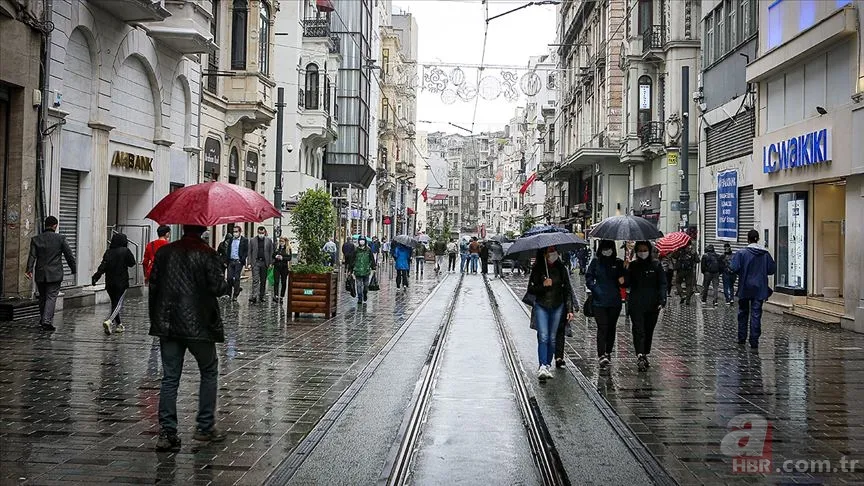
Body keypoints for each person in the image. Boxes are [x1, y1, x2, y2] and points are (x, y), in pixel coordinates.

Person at [149, 225, 230, 452]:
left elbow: (153, 285)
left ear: (183, 229)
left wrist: (156, 319)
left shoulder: (165, 253)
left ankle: (167, 432)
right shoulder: (207, 254)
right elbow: (217, 287)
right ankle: (204, 427)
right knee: (209, 370)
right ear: (203, 229)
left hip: (169, 323)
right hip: (199, 324)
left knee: (170, 378)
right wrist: (223, 276)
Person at [526, 247, 576, 380]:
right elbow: (531, 289)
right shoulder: (538, 268)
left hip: (557, 306)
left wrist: (569, 309)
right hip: (541, 306)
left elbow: (567, 290)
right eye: (550, 251)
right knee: (543, 336)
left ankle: (547, 364)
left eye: (554, 250)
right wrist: (543, 285)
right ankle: (542, 365)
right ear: (544, 253)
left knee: (552, 338)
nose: (553, 253)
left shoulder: (561, 268)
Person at [25, 216, 76, 332]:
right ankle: (46, 321)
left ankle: (43, 318)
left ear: (45, 225)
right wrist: (73, 269)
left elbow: (32, 256)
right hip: (55, 273)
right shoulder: (61, 239)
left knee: (42, 297)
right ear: (55, 226)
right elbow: (69, 255)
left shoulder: (36, 239)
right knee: (51, 297)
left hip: (40, 273)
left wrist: (29, 270)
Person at [729, 230, 776, 349]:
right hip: (760, 288)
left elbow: (733, 268)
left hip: (745, 287)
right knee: (756, 314)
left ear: (748, 239)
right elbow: (771, 270)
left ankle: (741, 337)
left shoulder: (742, 253)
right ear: (758, 239)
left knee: (743, 312)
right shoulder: (765, 254)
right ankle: (754, 340)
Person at [626, 241, 667, 372]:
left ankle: (645, 352)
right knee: (638, 329)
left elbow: (662, 283)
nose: (642, 252)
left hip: (652, 304)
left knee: (648, 330)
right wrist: (625, 270)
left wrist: (662, 299)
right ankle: (640, 355)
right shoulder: (632, 266)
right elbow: (625, 284)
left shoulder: (656, 266)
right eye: (640, 250)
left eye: (645, 250)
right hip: (636, 303)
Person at [585, 239, 626, 367]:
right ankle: (601, 354)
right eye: (605, 248)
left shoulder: (618, 263)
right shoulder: (596, 262)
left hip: (614, 301)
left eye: (609, 248)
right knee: (602, 327)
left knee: (611, 327)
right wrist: (595, 288)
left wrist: (625, 271)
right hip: (599, 301)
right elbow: (589, 277)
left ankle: (608, 352)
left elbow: (624, 281)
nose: (607, 250)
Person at [91, 233, 136, 335]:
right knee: (118, 304)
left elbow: (102, 267)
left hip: (110, 283)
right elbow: (132, 263)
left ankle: (119, 325)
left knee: (114, 304)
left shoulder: (108, 252)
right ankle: (110, 321)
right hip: (122, 282)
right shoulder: (125, 251)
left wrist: (95, 277)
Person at [248, 226, 273, 304]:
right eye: (259, 233)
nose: (261, 234)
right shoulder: (252, 240)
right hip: (256, 262)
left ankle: (262, 296)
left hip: (265, 262)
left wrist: (271, 263)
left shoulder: (269, 241)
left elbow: (271, 252)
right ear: (257, 232)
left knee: (263, 280)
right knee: (255, 280)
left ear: (264, 232)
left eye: (262, 233)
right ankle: (254, 296)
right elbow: (249, 252)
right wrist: (249, 263)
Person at [349, 237, 376, 305]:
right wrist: (350, 270)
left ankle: (365, 293)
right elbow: (352, 260)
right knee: (358, 285)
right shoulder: (356, 250)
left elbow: (372, 259)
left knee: (366, 285)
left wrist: (373, 268)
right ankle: (360, 298)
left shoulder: (368, 250)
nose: (361, 242)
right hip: (358, 270)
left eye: (363, 240)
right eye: (360, 240)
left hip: (366, 270)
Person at [225, 226, 248, 301]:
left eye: (236, 231)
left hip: (238, 261)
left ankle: (235, 294)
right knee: (229, 278)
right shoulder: (231, 239)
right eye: (234, 231)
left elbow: (246, 251)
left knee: (237, 278)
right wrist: (226, 260)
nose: (235, 233)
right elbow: (228, 250)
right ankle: (230, 293)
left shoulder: (244, 240)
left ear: (240, 232)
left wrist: (242, 259)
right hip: (231, 261)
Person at [272, 237, 292, 302]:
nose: (281, 243)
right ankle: (276, 295)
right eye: (280, 241)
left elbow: (289, 257)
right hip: (277, 266)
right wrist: (276, 256)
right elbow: (273, 255)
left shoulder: (288, 249)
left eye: (282, 241)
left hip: (284, 267)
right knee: (276, 281)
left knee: (283, 282)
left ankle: (282, 296)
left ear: (285, 242)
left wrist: (282, 258)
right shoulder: (277, 248)